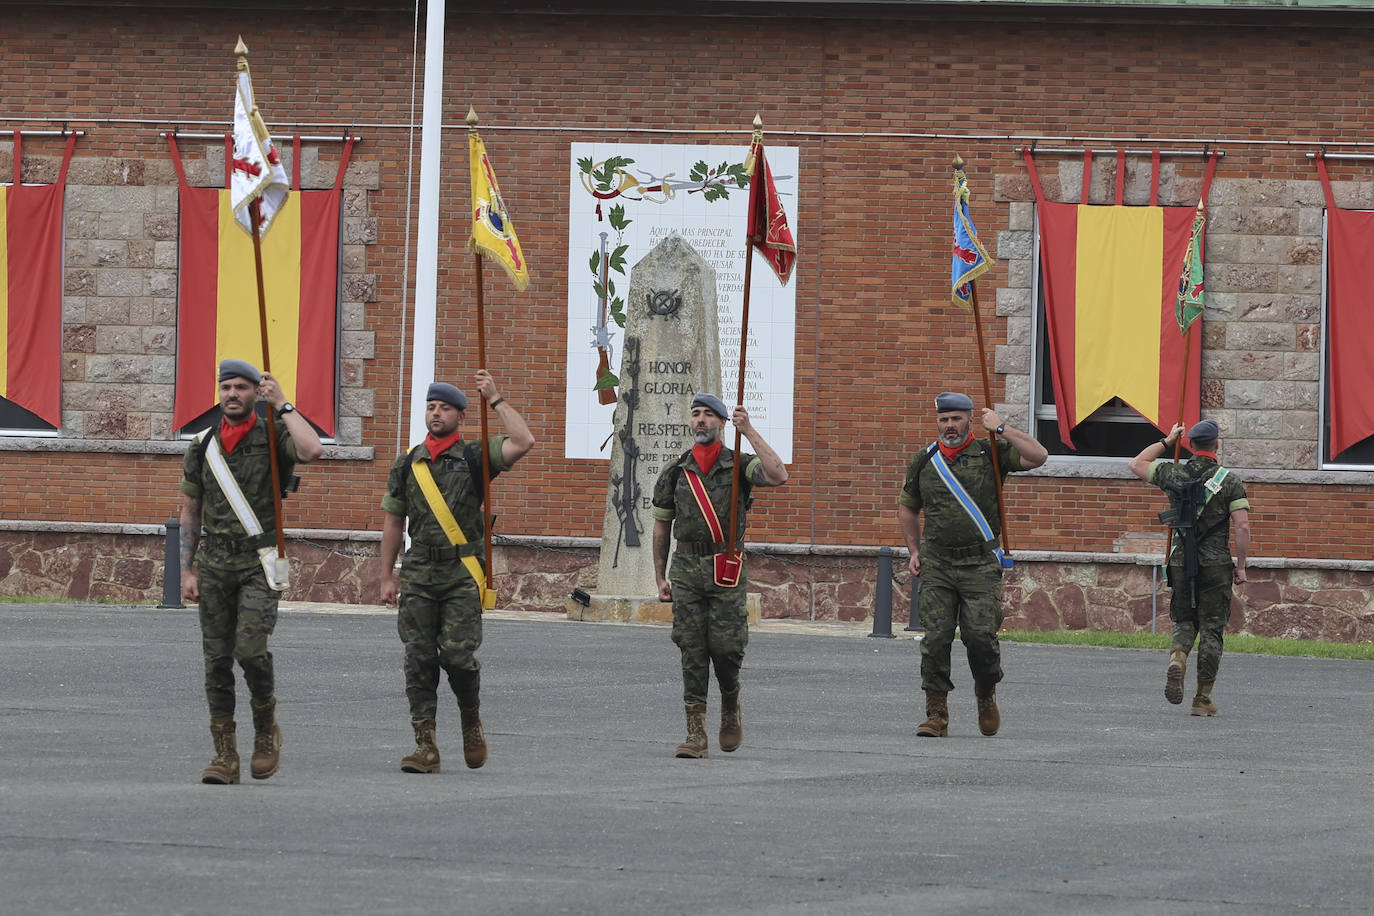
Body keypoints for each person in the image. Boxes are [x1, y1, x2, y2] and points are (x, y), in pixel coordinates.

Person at [379, 372, 535, 772]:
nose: (435, 413)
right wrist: (386, 575)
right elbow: (393, 523)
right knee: (418, 659)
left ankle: (470, 717)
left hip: (460, 573)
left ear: (460, 416)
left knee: (457, 656)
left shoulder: (474, 457)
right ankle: (425, 745)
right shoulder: (407, 462)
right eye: (431, 407)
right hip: (418, 572)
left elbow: (523, 441)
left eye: (444, 408)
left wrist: (496, 399)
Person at [180, 358, 324, 785]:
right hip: (214, 565)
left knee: (249, 650)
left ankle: (266, 730)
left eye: (242, 388)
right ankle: (225, 756)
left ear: (254, 393)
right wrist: (186, 570)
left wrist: (283, 404)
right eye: (226, 387)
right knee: (216, 662)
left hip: (259, 563)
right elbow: (191, 508)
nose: (232, 395)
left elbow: (312, 450)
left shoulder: (274, 434)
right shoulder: (203, 445)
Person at [897, 392, 1048, 738]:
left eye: (956, 419)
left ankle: (985, 692)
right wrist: (914, 550)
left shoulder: (990, 453)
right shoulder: (925, 460)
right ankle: (936, 712)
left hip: (979, 562)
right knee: (935, 638)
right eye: (943, 419)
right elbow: (908, 507)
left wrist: (1003, 427)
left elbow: (1038, 456)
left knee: (980, 636)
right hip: (937, 562)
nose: (950, 426)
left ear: (969, 419)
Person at [651, 393, 789, 759]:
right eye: (695, 415)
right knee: (691, 651)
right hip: (686, 572)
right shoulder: (675, 472)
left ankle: (731, 700)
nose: (700, 421)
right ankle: (695, 734)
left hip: (726, 570)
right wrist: (659, 576)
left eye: (709, 416)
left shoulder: (740, 465)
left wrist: (751, 430)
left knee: (727, 649)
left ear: (723, 424)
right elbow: (662, 527)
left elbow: (778, 475)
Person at [1129, 418, 1250, 715]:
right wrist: (1242, 566)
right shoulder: (1230, 480)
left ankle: (1178, 658)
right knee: (1211, 628)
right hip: (1216, 564)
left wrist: (1168, 441)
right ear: (1216, 445)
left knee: (1184, 620)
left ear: (1191, 445)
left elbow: (1137, 464)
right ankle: (1202, 698)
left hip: (1180, 561)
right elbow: (1242, 526)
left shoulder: (1174, 471)